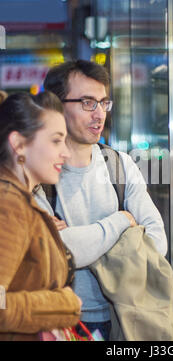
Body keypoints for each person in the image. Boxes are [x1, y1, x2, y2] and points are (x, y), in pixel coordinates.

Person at [35, 60, 168, 340]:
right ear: (56, 107)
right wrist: (122, 223)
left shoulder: (119, 165)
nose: (99, 115)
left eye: (103, 103)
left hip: (125, 317)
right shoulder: (40, 173)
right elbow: (61, 254)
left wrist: (82, 240)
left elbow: (157, 242)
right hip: (62, 321)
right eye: (87, 103)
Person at [0, 92, 82, 341]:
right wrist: (63, 305)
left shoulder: (19, 197)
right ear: (19, 144)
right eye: (56, 141)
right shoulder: (9, 202)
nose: (66, 152)